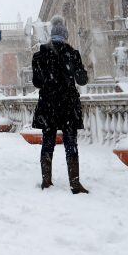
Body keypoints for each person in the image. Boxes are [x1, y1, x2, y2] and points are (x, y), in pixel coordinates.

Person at [32, 16, 89, 194]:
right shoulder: (73, 54)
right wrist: (76, 70)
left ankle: (46, 181)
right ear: (65, 35)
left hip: (48, 104)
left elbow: (37, 83)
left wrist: (49, 80)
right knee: (71, 143)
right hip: (68, 105)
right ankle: (75, 183)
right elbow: (82, 80)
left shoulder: (39, 55)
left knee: (47, 143)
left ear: (51, 35)